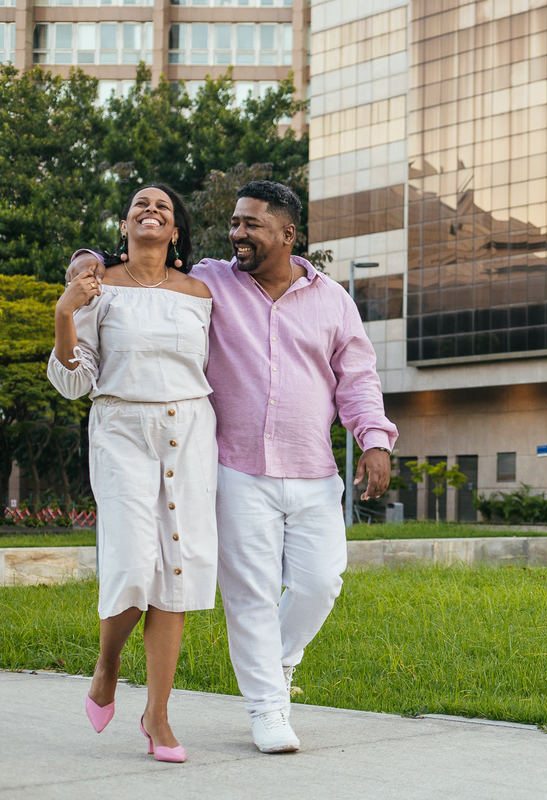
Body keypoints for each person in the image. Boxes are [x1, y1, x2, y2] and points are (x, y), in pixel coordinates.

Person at [70, 180, 397, 754]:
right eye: (234, 223)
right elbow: (141, 269)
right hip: (235, 467)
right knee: (249, 595)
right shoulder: (214, 280)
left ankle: (279, 661)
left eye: (250, 225)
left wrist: (373, 439)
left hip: (313, 468)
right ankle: (268, 709)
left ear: (287, 235)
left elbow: (358, 376)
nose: (237, 233)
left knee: (322, 582)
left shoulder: (331, 300)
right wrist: (87, 260)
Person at [51, 184, 215, 764]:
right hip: (121, 429)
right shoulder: (97, 289)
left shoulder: (201, 292)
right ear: (123, 226)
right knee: (131, 564)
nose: (151, 212)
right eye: (140, 206)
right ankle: (107, 662)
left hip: (190, 434)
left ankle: (159, 715)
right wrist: (65, 311)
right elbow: (75, 379)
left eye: (163, 208)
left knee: (175, 571)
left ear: (176, 233)